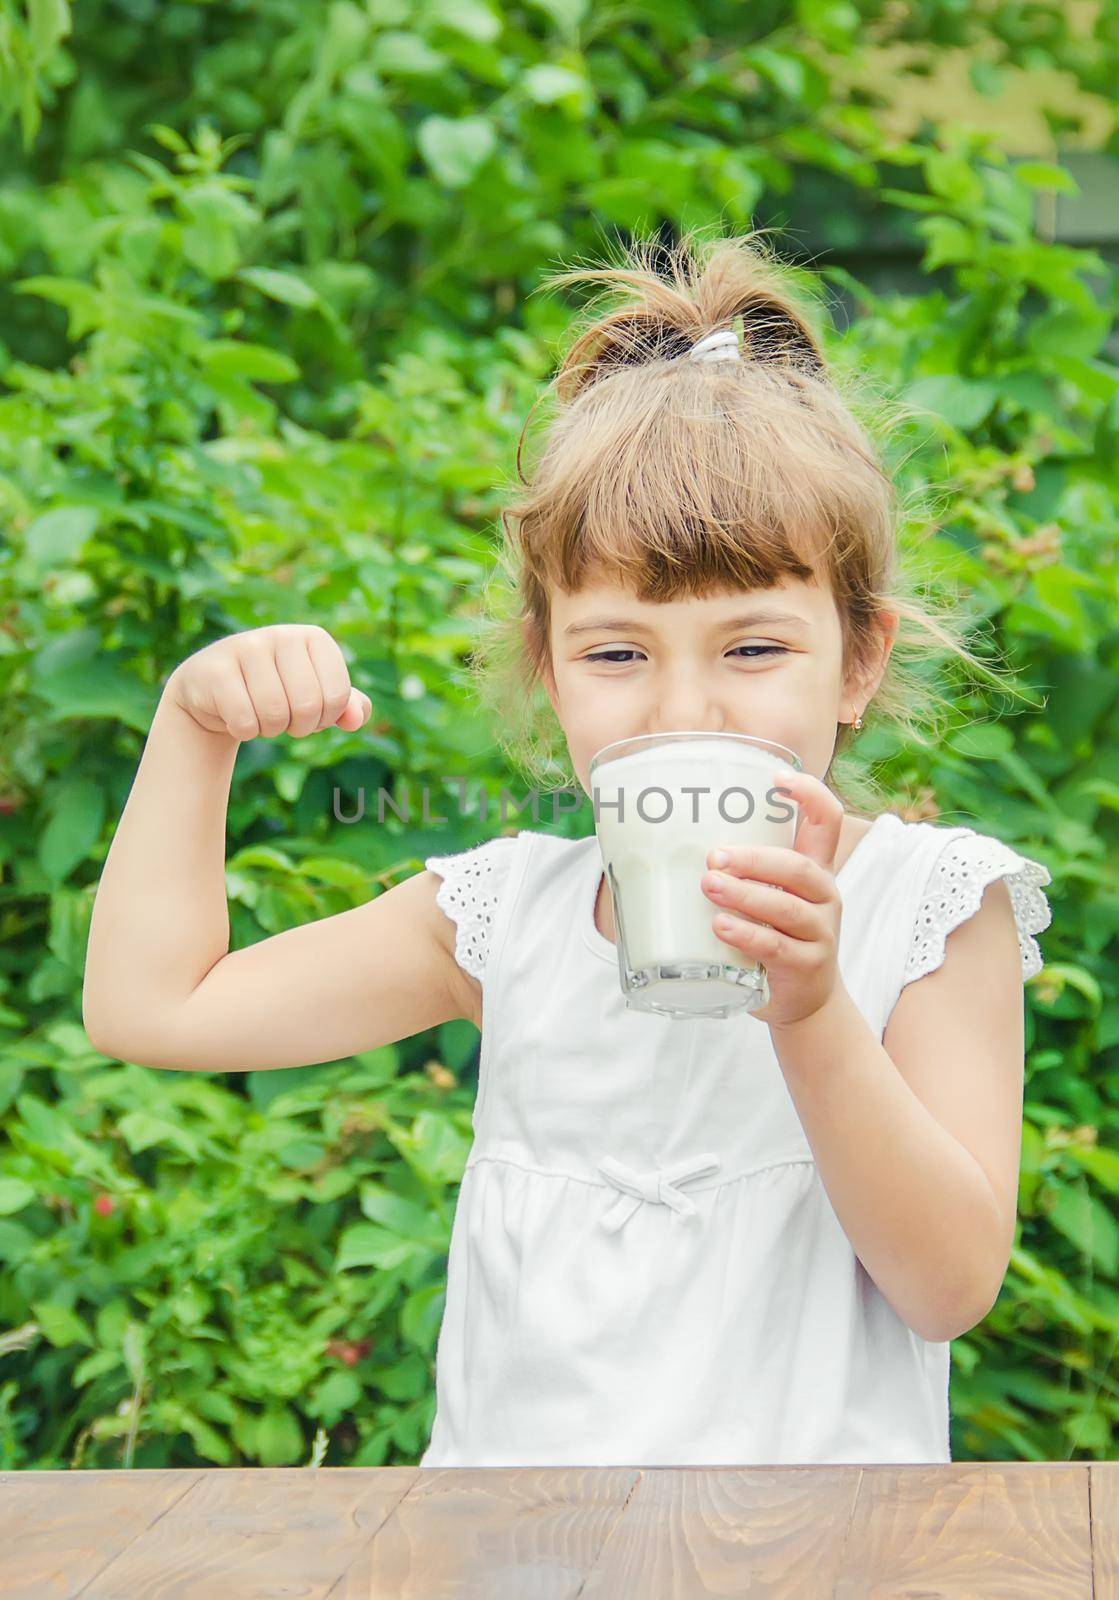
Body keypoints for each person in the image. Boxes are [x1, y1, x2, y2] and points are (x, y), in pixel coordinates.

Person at [82, 227, 1054, 1469]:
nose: (684, 710)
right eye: (616, 653)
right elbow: (154, 1009)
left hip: (812, 1562)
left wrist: (809, 1012)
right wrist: (193, 726)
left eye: (754, 649)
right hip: (522, 1562)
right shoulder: (508, 919)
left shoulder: (925, 904)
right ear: (549, 670)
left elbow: (949, 1286)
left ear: (858, 660)